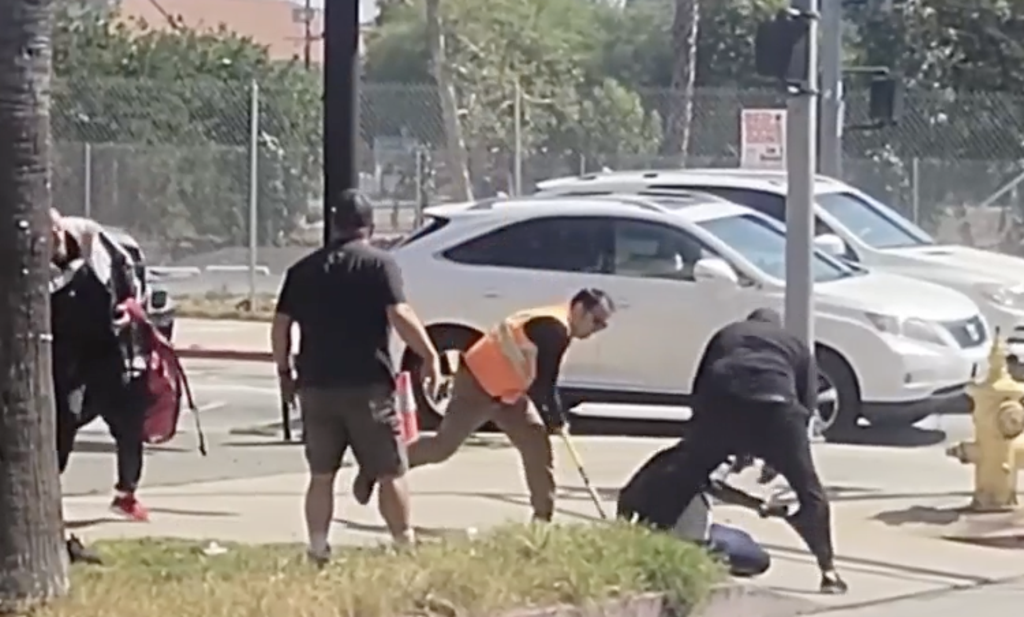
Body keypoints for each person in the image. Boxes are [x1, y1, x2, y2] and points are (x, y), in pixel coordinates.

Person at [272, 189, 442, 563]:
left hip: (315, 385)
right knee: (390, 470)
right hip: (368, 384)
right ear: (369, 225)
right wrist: (430, 355)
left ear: (334, 225)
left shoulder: (302, 270)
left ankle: (317, 547)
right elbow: (399, 314)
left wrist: (284, 371)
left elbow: (281, 325)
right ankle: (403, 545)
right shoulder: (379, 265)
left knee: (321, 474)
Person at [633, 308, 847, 594]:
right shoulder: (794, 344)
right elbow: (807, 405)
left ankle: (654, 549)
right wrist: (780, 456)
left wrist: (705, 439)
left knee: (686, 478)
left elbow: (700, 388)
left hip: (723, 404)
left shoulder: (728, 333)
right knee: (810, 492)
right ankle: (828, 572)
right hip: (778, 411)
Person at [353, 289, 615, 522]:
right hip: (477, 383)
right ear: (579, 310)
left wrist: (552, 418)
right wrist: (556, 419)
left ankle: (541, 521)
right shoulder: (554, 328)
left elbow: (538, 381)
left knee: (535, 442)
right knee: (442, 448)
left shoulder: (558, 325)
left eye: (603, 326)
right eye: (597, 321)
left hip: (507, 391)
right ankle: (378, 466)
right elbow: (543, 384)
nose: (596, 330)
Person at [50, 209, 150, 523]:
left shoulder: (97, 243)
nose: (52, 243)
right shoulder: (36, 263)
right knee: (64, 420)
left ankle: (126, 494)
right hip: (65, 354)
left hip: (107, 349)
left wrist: (131, 307)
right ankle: (48, 495)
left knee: (129, 421)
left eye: (54, 234)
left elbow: (132, 279)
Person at [618, 446, 782, 578]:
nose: (750, 464)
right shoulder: (717, 461)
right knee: (759, 559)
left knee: (739, 536)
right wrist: (757, 504)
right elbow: (715, 486)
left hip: (650, 527)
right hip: (684, 540)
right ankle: (700, 557)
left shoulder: (672, 455)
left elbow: (625, 495)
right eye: (750, 460)